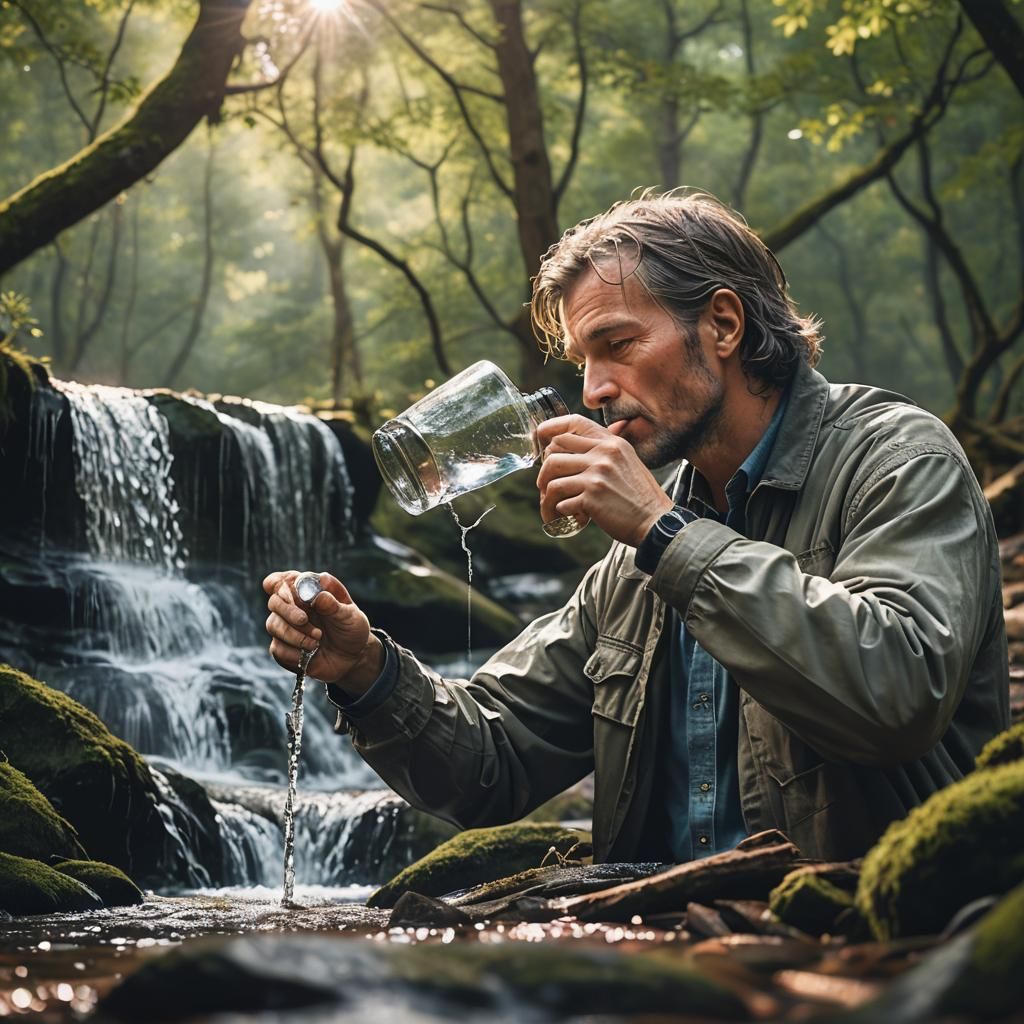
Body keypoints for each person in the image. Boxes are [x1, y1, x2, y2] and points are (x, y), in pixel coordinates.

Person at [264, 191, 1009, 863]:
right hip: (678, 965)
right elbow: (490, 766)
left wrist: (662, 531)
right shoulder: (635, 563)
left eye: (617, 346)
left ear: (723, 323)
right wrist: (365, 670)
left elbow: (898, 693)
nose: (593, 390)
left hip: (874, 962)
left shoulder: (898, 458)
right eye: (584, 359)